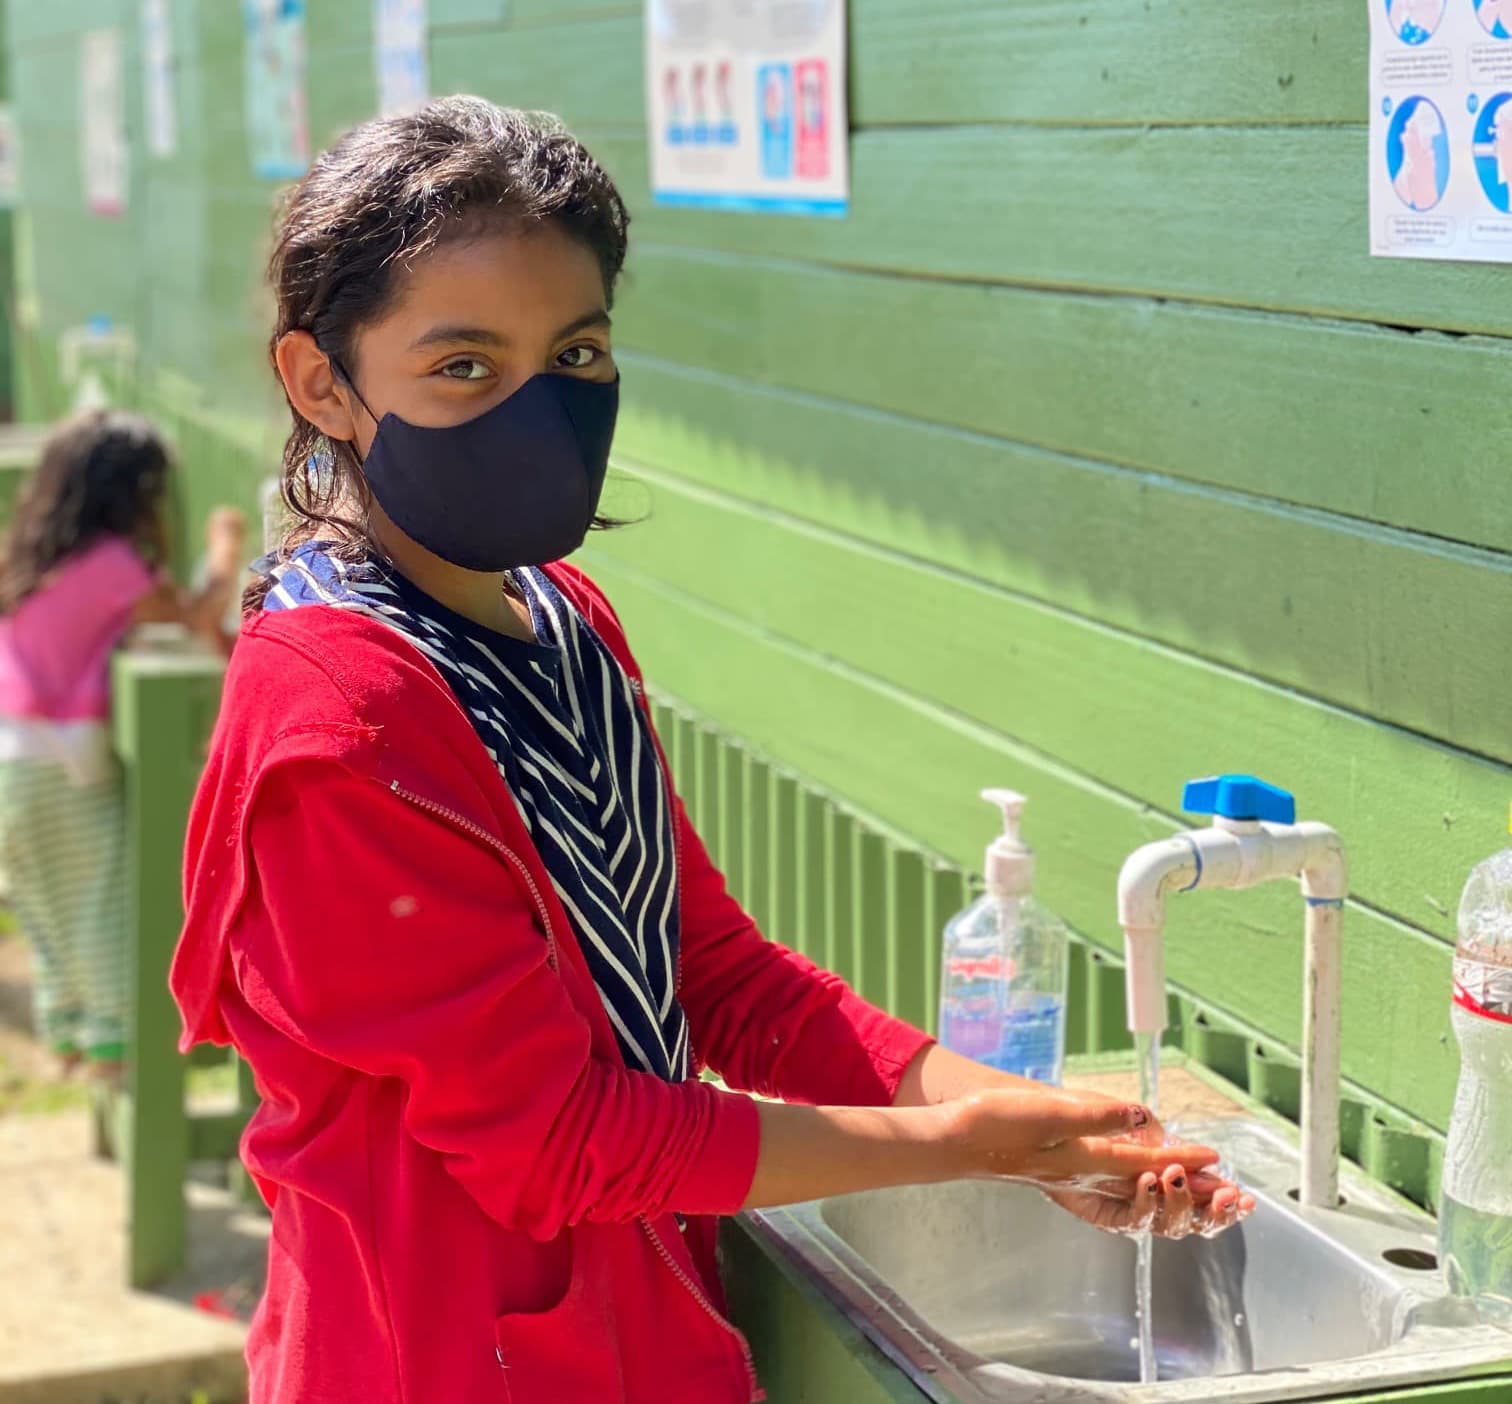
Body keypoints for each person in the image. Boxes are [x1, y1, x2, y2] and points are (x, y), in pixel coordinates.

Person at [169, 97, 1254, 1404]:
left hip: (637, 1331)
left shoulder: (559, 618)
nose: (533, 412)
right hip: (438, 1361)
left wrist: (1045, 1133)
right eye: (463, 367)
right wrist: (962, 1143)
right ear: (322, 384)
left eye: (572, 356)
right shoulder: (339, 719)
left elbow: (716, 973)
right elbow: (555, 1143)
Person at [0, 410, 245, 1081]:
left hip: (17, 760)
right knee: (108, 907)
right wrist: (226, 544)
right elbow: (197, 613)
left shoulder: (41, 558)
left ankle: (76, 1041)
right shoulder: (111, 566)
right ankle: (122, 1060)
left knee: (53, 910)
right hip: (61, 766)